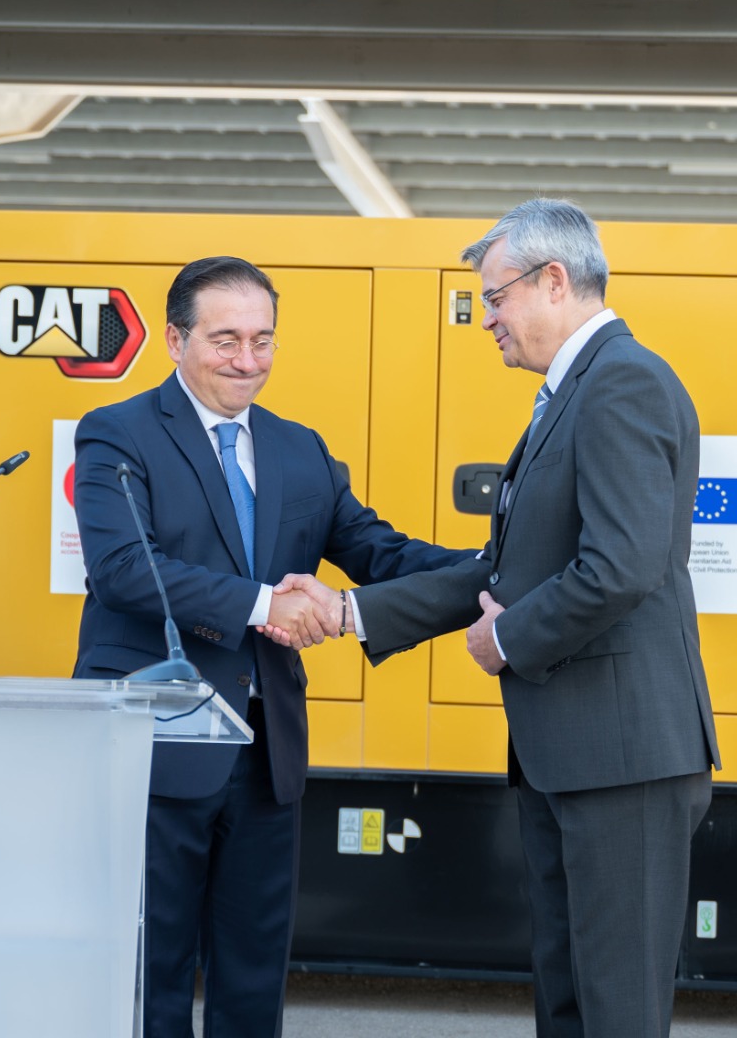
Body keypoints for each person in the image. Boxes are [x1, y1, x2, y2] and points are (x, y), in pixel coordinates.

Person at [276, 198, 721, 1038]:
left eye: (495, 296)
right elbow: (503, 572)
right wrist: (346, 610)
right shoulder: (572, 393)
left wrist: (506, 636)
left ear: (555, 281)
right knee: (570, 999)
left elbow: (621, 567)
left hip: (621, 761)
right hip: (577, 758)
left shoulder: (622, 382)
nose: (486, 318)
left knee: (615, 1009)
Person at [71, 255, 473, 1037]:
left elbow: (376, 550)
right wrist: (266, 605)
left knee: (254, 965)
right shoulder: (117, 434)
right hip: (156, 741)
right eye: (225, 340)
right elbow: (125, 571)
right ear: (174, 339)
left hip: (265, 749)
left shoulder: (299, 449)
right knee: (148, 964)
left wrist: (494, 571)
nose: (247, 361)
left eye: (263, 341)